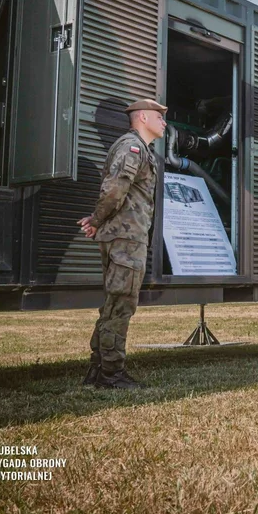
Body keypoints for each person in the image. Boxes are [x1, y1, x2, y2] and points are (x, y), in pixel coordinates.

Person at [78, 98, 166, 389]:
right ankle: (111, 374)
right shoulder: (133, 147)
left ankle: (98, 370)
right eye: (160, 117)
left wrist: (98, 221)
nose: (164, 123)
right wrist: (97, 219)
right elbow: (115, 190)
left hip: (126, 237)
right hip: (125, 239)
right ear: (143, 117)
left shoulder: (141, 149)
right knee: (121, 306)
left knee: (113, 304)